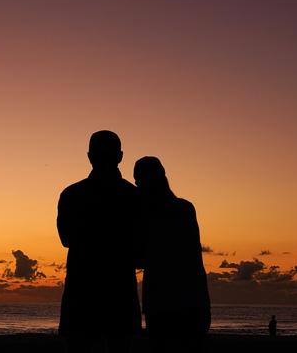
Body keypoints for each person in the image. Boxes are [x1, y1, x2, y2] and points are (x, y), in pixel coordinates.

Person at [57, 130, 143, 353]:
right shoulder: (134, 196)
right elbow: (143, 250)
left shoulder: (72, 194)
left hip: (82, 292)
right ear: (120, 156)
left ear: (89, 156)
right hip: (120, 293)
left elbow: (66, 239)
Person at [133, 156, 211, 353]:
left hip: (163, 303)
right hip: (193, 301)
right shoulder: (185, 208)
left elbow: (142, 257)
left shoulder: (148, 216)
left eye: (139, 181)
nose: (138, 186)